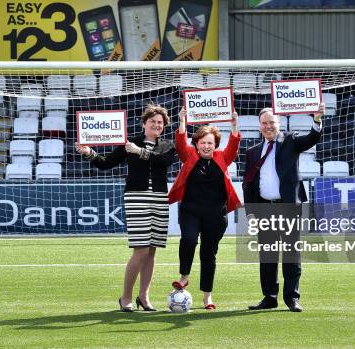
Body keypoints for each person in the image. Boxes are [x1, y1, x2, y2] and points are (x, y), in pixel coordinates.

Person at [75, 104, 176, 312]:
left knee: (152, 252)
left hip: (159, 198)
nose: (156, 125)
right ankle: (126, 297)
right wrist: (89, 153)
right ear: (144, 123)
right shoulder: (129, 143)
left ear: (164, 126)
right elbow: (106, 163)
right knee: (140, 250)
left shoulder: (167, 145)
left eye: (160, 122)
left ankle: (144, 297)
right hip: (136, 197)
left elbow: (164, 162)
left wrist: (139, 152)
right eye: (152, 122)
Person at [243, 103, 324, 312]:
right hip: (263, 208)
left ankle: (292, 297)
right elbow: (248, 183)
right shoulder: (252, 152)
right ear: (259, 126)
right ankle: (269, 297)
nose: (268, 126)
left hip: (287, 206)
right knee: (267, 255)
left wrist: (316, 120)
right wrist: (250, 211)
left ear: (278, 123)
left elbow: (311, 139)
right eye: (264, 123)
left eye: (272, 122)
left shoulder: (290, 140)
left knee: (291, 253)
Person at [168, 108, 242, 310]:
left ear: (215, 144)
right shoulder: (189, 156)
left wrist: (234, 124)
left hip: (216, 214)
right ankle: (184, 277)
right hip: (190, 211)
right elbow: (180, 144)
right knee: (189, 240)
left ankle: (207, 296)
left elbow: (234, 146)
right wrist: (182, 120)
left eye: (210, 143)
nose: (207, 146)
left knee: (209, 254)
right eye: (203, 142)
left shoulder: (221, 157)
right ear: (197, 144)